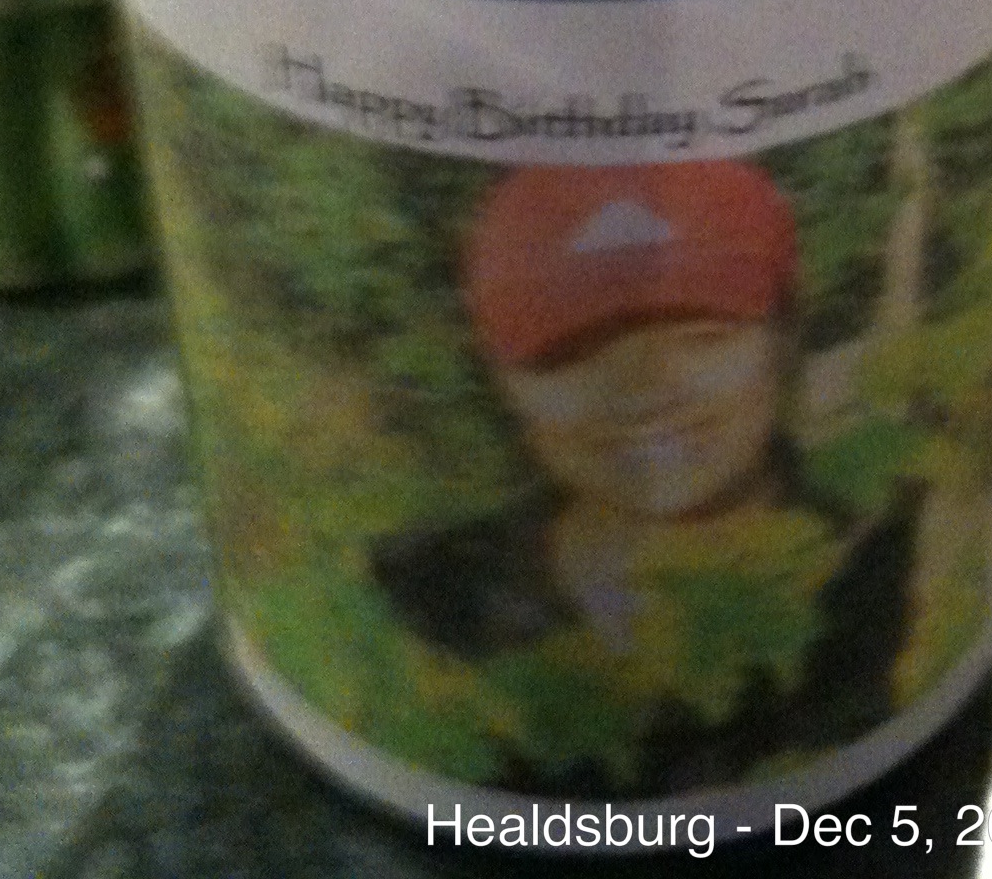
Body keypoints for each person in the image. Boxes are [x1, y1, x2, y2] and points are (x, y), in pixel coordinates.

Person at [371, 159, 924, 795]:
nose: (646, 393)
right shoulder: (423, 599)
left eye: (701, 337)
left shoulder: (882, 577)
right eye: (576, 353)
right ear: (503, 384)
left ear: (785, 337)